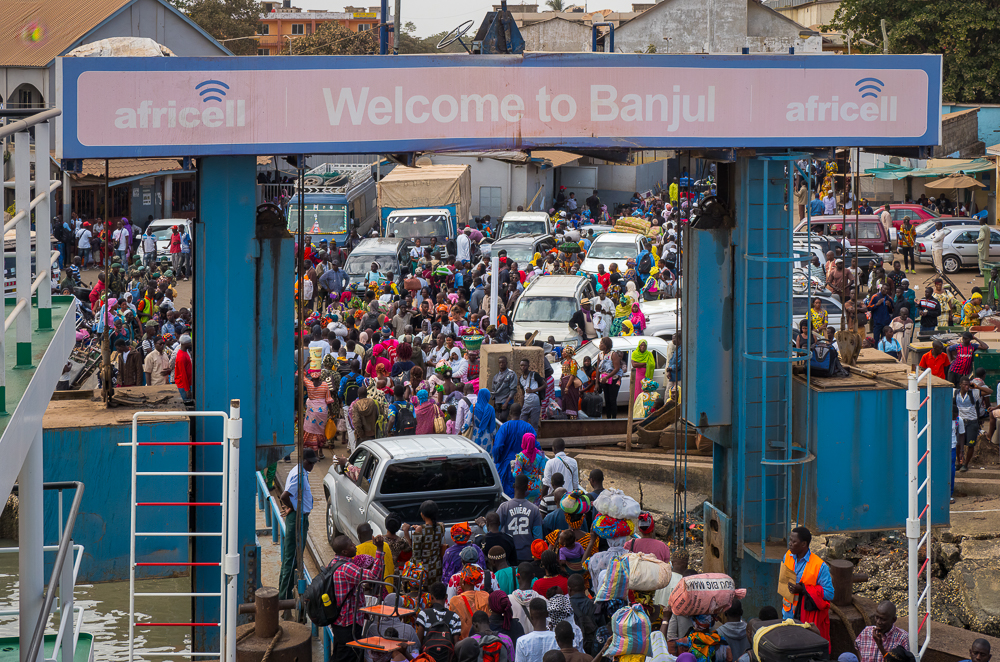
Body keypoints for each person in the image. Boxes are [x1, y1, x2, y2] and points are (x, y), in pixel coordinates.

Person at [325, 532, 387, 662]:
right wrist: (379, 550)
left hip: (337, 621)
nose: (355, 546)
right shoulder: (347, 568)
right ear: (345, 551)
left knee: (338, 654)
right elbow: (374, 577)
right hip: (348, 624)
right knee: (347, 657)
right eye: (351, 545)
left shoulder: (332, 564)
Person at [781, 526, 834, 645]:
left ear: (804, 544)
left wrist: (804, 589)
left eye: (794, 542)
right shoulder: (787, 556)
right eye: (790, 540)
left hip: (805, 618)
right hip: (787, 613)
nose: (790, 544)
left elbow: (829, 594)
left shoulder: (820, 566)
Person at [278, 449, 317, 601]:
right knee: (291, 559)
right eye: (310, 463)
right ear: (304, 461)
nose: (312, 466)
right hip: (297, 519)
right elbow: (284, 496)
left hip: (300, 516)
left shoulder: (302, 472)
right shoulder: (298, 475)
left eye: (313, 463)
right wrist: (293, 508)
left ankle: (286, 594)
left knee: (293, 558)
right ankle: (284, 599)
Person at [497, 474, 544, 563]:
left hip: (509, 556)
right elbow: (538, 538)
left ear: (514, 486)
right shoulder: (534, 509)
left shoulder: (504, 507)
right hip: (528, 557)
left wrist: (483, 524)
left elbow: (495, 530)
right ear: (527, 488)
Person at [448, 565, 492, 639]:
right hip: (484, 639)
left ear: (462, 581)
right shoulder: (485, 596)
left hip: (464, 643)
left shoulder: (455, 601)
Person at [416, 581, 463, 646]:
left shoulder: (423, 614)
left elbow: (419, 642)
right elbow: (456, 644)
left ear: (431, 597)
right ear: (446, 597)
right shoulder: (455, 617)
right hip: (447, 655)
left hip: (427, 655)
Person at [512, 433, 547, 503]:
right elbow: (542, 471)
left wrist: (512, 470)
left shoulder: (521, 456)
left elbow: (517, 474)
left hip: (524, 488)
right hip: (537, 487)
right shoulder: (540, 454)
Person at [596, 337, 624, 418]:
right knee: (607, 400)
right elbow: (598, 369)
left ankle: (614, 419)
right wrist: (597, 383)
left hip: (614, 380)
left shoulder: (613, 354)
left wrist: (607, 377)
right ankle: (608, 419)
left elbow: (617, 368)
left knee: (612, 400)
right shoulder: (600, 355)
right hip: (604, 381)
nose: (600, 345)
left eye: (601, 343)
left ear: (606, 345)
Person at [518, 359, 544, 429]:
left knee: (534, 424)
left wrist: (533, 391)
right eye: (521, 365)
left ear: (528, 366)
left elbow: (545, 385)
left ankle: (533, 439)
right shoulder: (520, 378)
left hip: (535, 403)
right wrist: (522, 405)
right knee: (522, 424)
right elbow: (523, 394)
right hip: (526, 404)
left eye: (525, 365)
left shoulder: (534, 375)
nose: (523, 367)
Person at [493, 356, 519, 422]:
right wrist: (494, 403)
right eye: (500, 362)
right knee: (497, 420)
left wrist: (506, 402)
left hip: (506, 401)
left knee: (503, 418)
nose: (501, 364)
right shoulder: (496, 376)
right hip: (497, 402)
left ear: (506, 363)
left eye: (503, 362)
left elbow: (513, 390)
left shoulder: (511, 374)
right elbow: (494, 391)